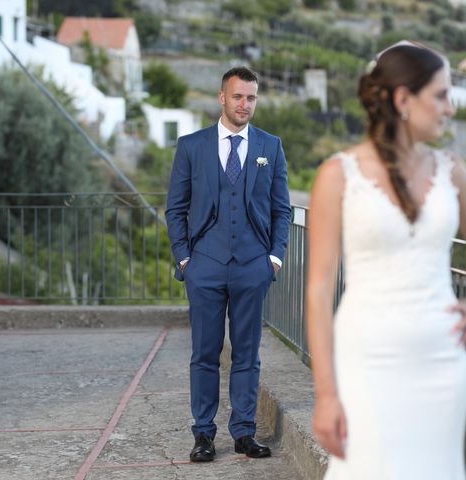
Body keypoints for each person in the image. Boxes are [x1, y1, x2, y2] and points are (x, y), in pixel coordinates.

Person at [307, 42, 466, 479]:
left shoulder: (453, 170)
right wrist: (326, 393)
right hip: (367, 364)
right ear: (403, 99)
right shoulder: (337, 175)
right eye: (441, 94)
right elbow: (318, 291)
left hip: (444, 362)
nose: (450, 108)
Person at [166, 66, 291, 462]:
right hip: (204, 265)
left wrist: (274, 258)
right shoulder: (192, 146)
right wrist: (185, 258)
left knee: (247, 353)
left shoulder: (270, 147)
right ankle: (203, 434)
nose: (244, 104)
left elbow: (281, 209)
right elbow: (176, 209)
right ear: (222, 98)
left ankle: (244, 432)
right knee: (203, 354)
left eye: (251, 97)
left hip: (253, 264)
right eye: (238, 97)